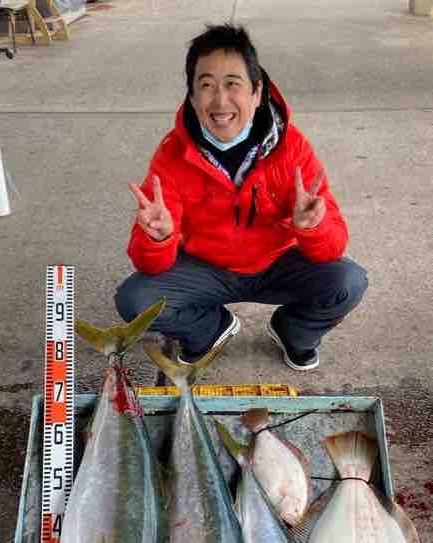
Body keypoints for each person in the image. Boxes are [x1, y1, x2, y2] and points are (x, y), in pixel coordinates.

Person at [115, 24, 368, 371]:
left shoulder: (293, 147)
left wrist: (314, 226)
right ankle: (208, 330)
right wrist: (157, 237)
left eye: (233, 84)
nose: (220, 101)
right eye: (206, 85)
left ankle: (294, 331)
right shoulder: (171, 155)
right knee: (135, 300)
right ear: (191, 95)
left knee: (348, 282)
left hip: (278, 264)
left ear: (257, 91)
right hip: (207, 269)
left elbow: (333, 245)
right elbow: (148, 264)